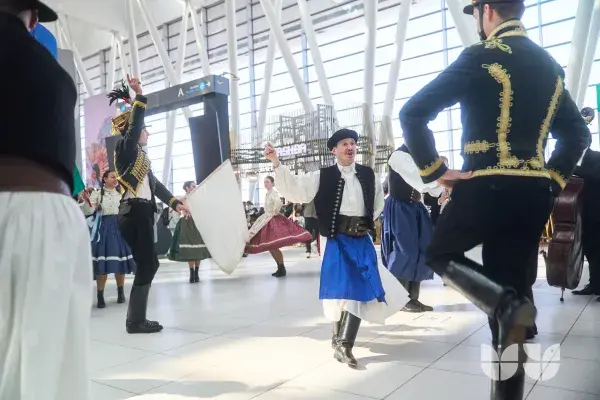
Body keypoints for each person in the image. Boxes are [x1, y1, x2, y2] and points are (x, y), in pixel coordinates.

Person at [399, 1, 589, 398]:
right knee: (513, 304)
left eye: (474, 14)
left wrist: (436, 170)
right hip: (533, 194)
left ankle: (502, 304)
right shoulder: (550, 66)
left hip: (486, 184)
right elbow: (578, 135)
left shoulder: (480, 55)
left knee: (440, 253)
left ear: (486, 11)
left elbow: (413, 113)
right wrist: (550, 182)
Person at [0, 1, 93, 399]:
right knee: (45, 372)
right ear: (33, 17)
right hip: (49, 217)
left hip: (35, 215)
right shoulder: (53, 74)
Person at [264, 128, 406, 368]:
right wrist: (276, 162)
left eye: (352, 143)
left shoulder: (368, 174)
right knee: (339, 291)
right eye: (344, 144)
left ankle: (344, 344)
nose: (350, 147)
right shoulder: (321, 176)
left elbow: (377, 204)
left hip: (360, 240)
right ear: (334, 150)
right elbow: (295, 189)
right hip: (335, 239)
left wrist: (363, 222)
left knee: (360, 287)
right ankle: (337, 338)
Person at [109, 76, 187, 334]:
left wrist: (175, 203)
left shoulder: (142, 159)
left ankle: (136, 318)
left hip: (141, 211)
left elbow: (157, 187)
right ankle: (135, 321)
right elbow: (133, 128)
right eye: (144, 129)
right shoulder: (125, 148)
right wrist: (139, 95)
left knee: (150, 264)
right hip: (134, 212)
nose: (147, 133)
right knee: (147, 264)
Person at [382, 144, 443, 312]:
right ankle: (400, 300)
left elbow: (431, 187)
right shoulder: (398, 156)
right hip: (400, 208)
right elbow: (420, 179)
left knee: (421, 250)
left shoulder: (419, 155)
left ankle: (413, 298)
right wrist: (443, 181)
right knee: (404, 251)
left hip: (415, 207)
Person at [83, 170, 136, 308]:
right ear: (105, 179)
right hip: (103, 229)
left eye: (116, 177)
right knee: (103, 265)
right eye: (112, 177)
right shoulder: (97, 193)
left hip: (119, 228)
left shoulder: (121, 194)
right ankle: (100, 295)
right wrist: (87, 201)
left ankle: (121, 292)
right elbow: (88, 211)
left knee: (119, 262)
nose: (115, 179)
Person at [245, 176, 312, 277]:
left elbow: (278, 203)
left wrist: (274, 212)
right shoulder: (268, 193)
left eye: (267, 182)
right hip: (266, 219)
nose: (265, 184)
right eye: (265, 182)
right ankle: (279, 267)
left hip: (272, 220)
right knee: (270, 246)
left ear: (272, 183)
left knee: (274, 246)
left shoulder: (274, 193)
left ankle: (282, 268)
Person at [571, 107, 600, 299]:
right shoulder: (568, 159)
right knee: (589, 250)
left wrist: (574, 169)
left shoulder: (597, 157)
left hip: (597, 211)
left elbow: (596, 175)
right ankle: (594, 284)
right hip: (580, 214)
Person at [169, 181, 211, 284]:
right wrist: (184, 202)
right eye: (193, 186)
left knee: (197, 250)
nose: (195, 187)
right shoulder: (184, 198)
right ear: (187, 188)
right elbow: (174, 203)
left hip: (197, 224)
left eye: (195, 186)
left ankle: (196, 273)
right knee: (190, 250)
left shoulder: (198, 199)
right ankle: (192, 273)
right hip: (186, 224)